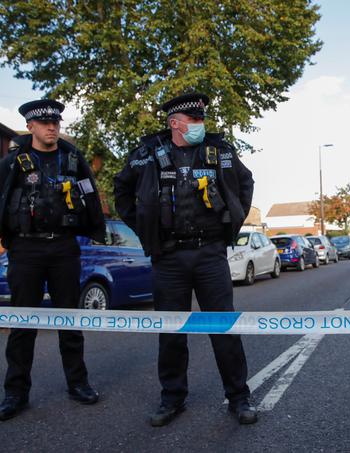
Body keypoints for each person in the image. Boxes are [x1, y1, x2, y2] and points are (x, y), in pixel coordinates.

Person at [113, 92, 257, 427]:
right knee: (171, 332)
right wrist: (145, 229)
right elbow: (121, 191)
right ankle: (172, 399)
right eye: (194, 119)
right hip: (169, 257)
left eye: (202, 118)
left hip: (210, 253)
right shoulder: (147, 154)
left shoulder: (219, 150)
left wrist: (231, 224)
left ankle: (239, 397)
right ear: (175, 123)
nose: (200, 125)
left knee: (224, 328)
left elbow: (245, 183)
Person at [0, 99, 106, 421]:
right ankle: (15, 393)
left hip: (64, 249)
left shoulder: (73, 160)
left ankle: (78, 383)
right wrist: (16, 229)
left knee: (70, 321)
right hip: (26, 251)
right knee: (22, 324)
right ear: (30, 127)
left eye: (56, 121)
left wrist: (92, 227)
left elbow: (90, 194)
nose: (51, 126)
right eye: (44, 122)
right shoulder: (11, 164)